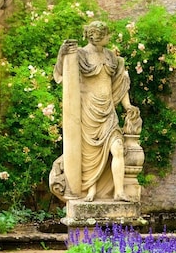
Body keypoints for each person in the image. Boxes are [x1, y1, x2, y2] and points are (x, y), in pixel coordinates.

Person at [53, 21, 140, 202]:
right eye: (107, 34)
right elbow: (63, 71)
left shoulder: (111, 57)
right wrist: (63, 53)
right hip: (88, 112)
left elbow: (120, 84)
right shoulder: (81, 54)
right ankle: (90, 191)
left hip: (108, 111)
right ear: (95, 36)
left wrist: (128, 106)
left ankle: (118, 192)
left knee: (117, 149)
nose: (109, 37)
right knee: (89, 155)